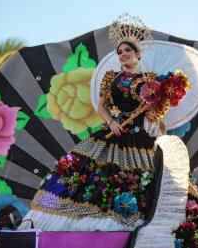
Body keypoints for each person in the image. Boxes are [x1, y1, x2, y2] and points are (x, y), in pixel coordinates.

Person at [19, 14, 167, 232]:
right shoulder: (111, 78)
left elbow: (154, 114)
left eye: (127, 51)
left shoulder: (151, 81)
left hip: (139, 138)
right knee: (83, 174)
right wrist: (111, 122)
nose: (123, 55)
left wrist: (159, 100)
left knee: (140, 181)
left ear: (138, 53)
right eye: (119, 53)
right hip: (112, 132)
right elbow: (100, 107)